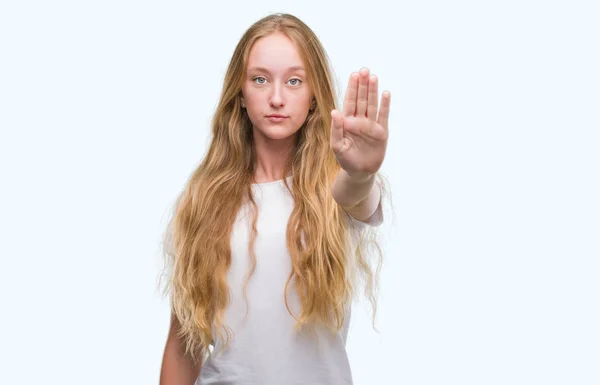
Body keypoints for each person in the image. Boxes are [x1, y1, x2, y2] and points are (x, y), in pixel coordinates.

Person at [159, 12, 392, 385]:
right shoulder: (203, 199)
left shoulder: (335, 185)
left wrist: (362, 171)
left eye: (295, 81)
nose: (277, 97)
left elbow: (354, 193)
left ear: (314, 96)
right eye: (261, 79)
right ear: (240, 92)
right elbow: (184, 340)